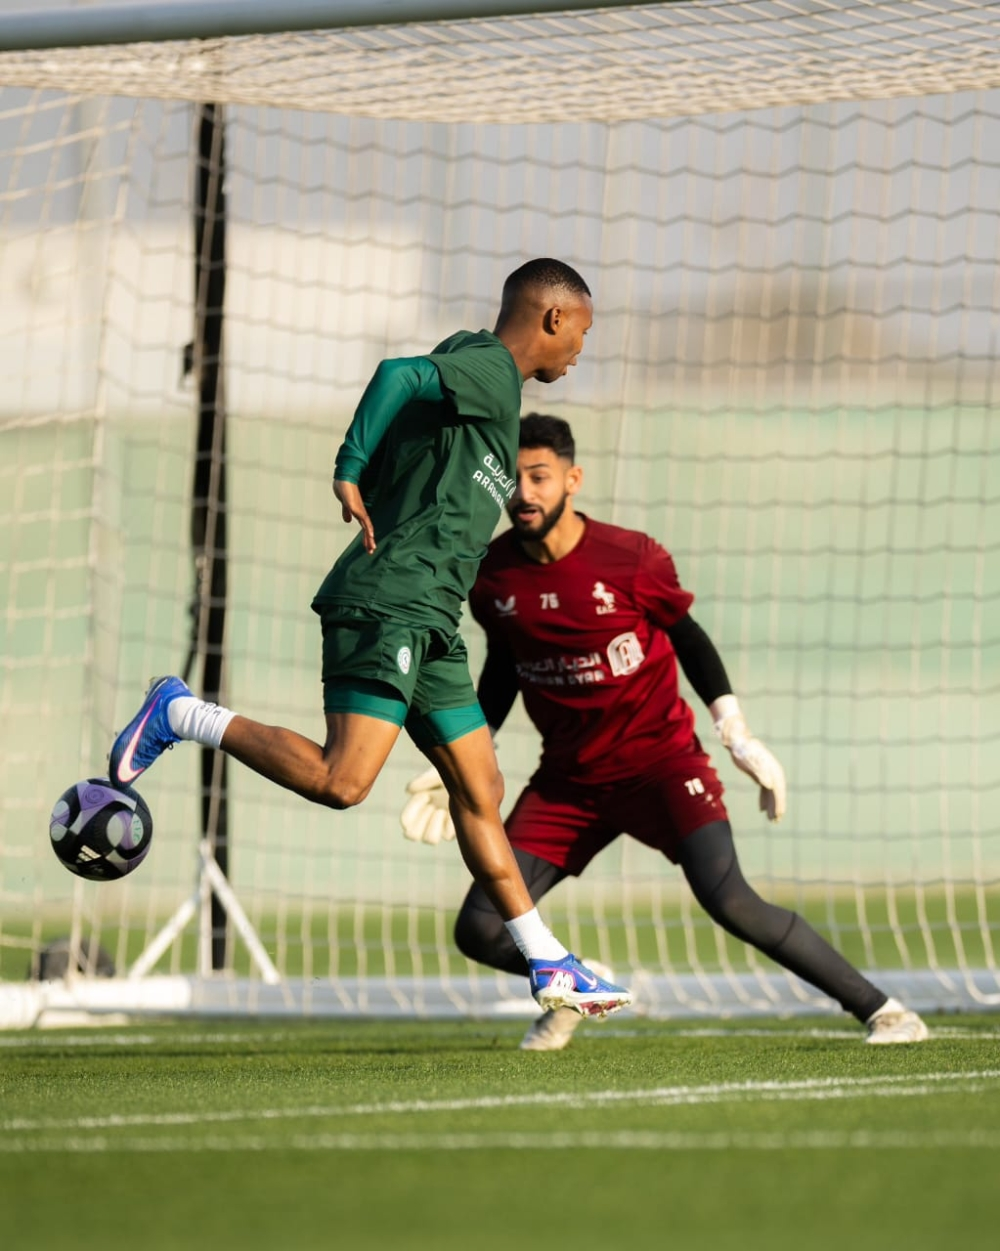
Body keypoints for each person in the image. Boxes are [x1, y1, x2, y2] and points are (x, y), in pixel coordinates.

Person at [108, 261, 631, 1020]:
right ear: (553, 318)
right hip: (392, 600)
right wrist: (350, 464)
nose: (582, 349)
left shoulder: (484, 374)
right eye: (582, 331)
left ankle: (549, 961)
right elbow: (397, 374)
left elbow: (420, 418)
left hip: (432, 615)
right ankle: (180, 712)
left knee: (479, 787)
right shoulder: (487, 367)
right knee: (341, 781)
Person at [400, 413, 929, 1050]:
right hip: (569, 783)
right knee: (481, 928)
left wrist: (736, 734)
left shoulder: (631, 558)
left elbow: (691, 641)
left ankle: (886, 1011)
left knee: (730, 900)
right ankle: (579, 981)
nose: (524, 492)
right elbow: (503, 671)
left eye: (539, 476)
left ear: (572, 479)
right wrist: (455, 755)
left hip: (664, 768)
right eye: (512, 477)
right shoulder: (493, 577)